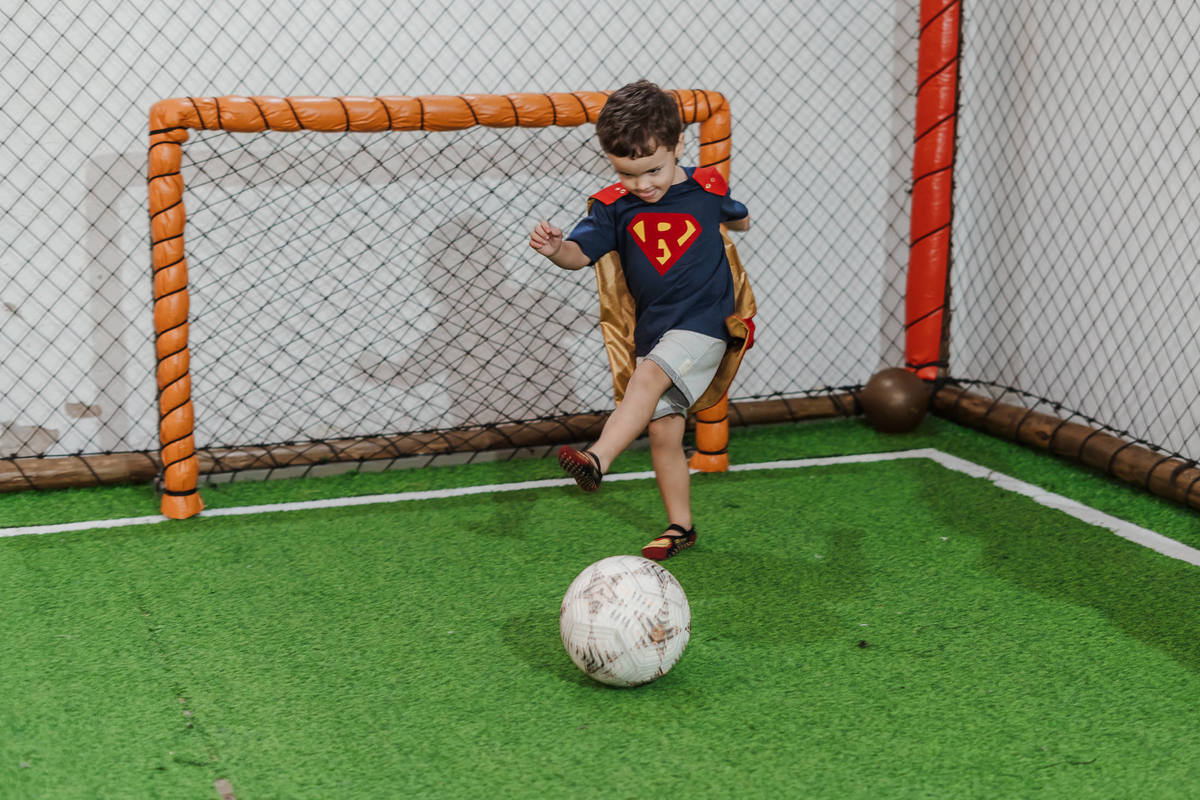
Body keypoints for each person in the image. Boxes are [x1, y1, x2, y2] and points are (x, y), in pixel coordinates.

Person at [528, 79, 751, 561]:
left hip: (706, 324)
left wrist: (730, 225)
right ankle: (680, 526)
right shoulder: (612, 206)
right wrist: (554, 250)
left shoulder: (705, 187)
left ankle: (598, 458)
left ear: (678, 146)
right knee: (663, 432)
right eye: (629, 174)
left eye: (654, 170)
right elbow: (578, 255)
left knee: (648, 377)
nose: (643, 185)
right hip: (654, 332)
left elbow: (739, 217)